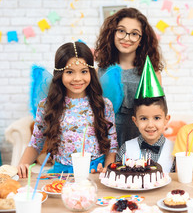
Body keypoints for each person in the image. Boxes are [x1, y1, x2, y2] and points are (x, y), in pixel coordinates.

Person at [17, 42, 118, 178]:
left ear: (91, 72)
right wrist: (22, 166)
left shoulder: (104, 104)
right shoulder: (46, 106)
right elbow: (35, 144)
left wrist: (107, 169)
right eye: (69, 72)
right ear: (60, 74)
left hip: (95, 173)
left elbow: (112, 145)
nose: (77, 78)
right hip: (61, 174)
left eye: (84, 71)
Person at [95, 7, 164, 147]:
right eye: (121, 31)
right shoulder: (100, 72)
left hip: (142, 143)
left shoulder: (151, 73)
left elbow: (157, 111)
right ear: (112, 33)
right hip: (107, 143)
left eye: (134, 34)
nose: (126, 38)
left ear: (141, 40)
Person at [116, 56, 174, 173]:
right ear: (135, 120)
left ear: (166, 120)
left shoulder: (175, 150)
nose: (150, 125)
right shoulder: (125, 150)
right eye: (143, 118)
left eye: (157, 118)